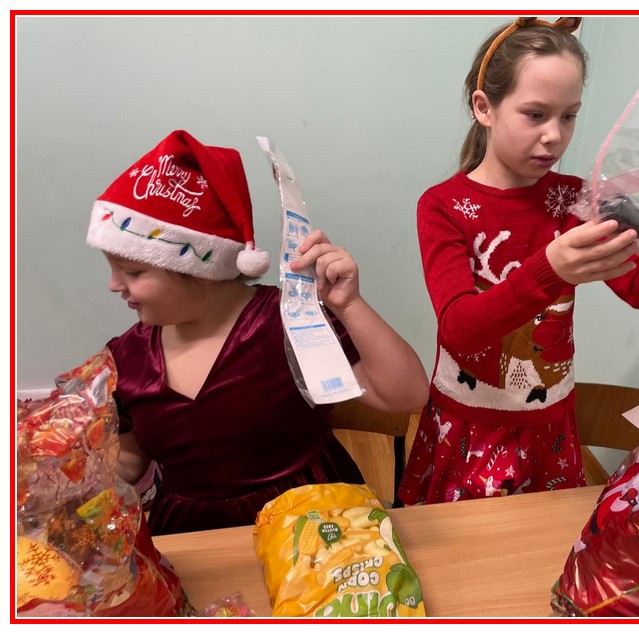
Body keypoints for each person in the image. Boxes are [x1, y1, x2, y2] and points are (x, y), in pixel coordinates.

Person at [398, 17, 639, 505]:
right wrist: (549, 270)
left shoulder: (574, 198)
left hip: (550, 427)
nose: (554, 136)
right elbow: (460, 329)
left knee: (546, 545)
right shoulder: (444, 206)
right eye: (535, 114)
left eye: (569, 116)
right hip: (468, 427)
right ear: (484, 107)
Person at [87, 129, 429, 534]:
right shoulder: (127, 359)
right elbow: (130, 460)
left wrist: (349, 305)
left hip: (312, 527)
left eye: (133, 272)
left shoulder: (288, 323)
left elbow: (406, 394)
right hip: (194, 540)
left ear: (198, 271)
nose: (114, 285)